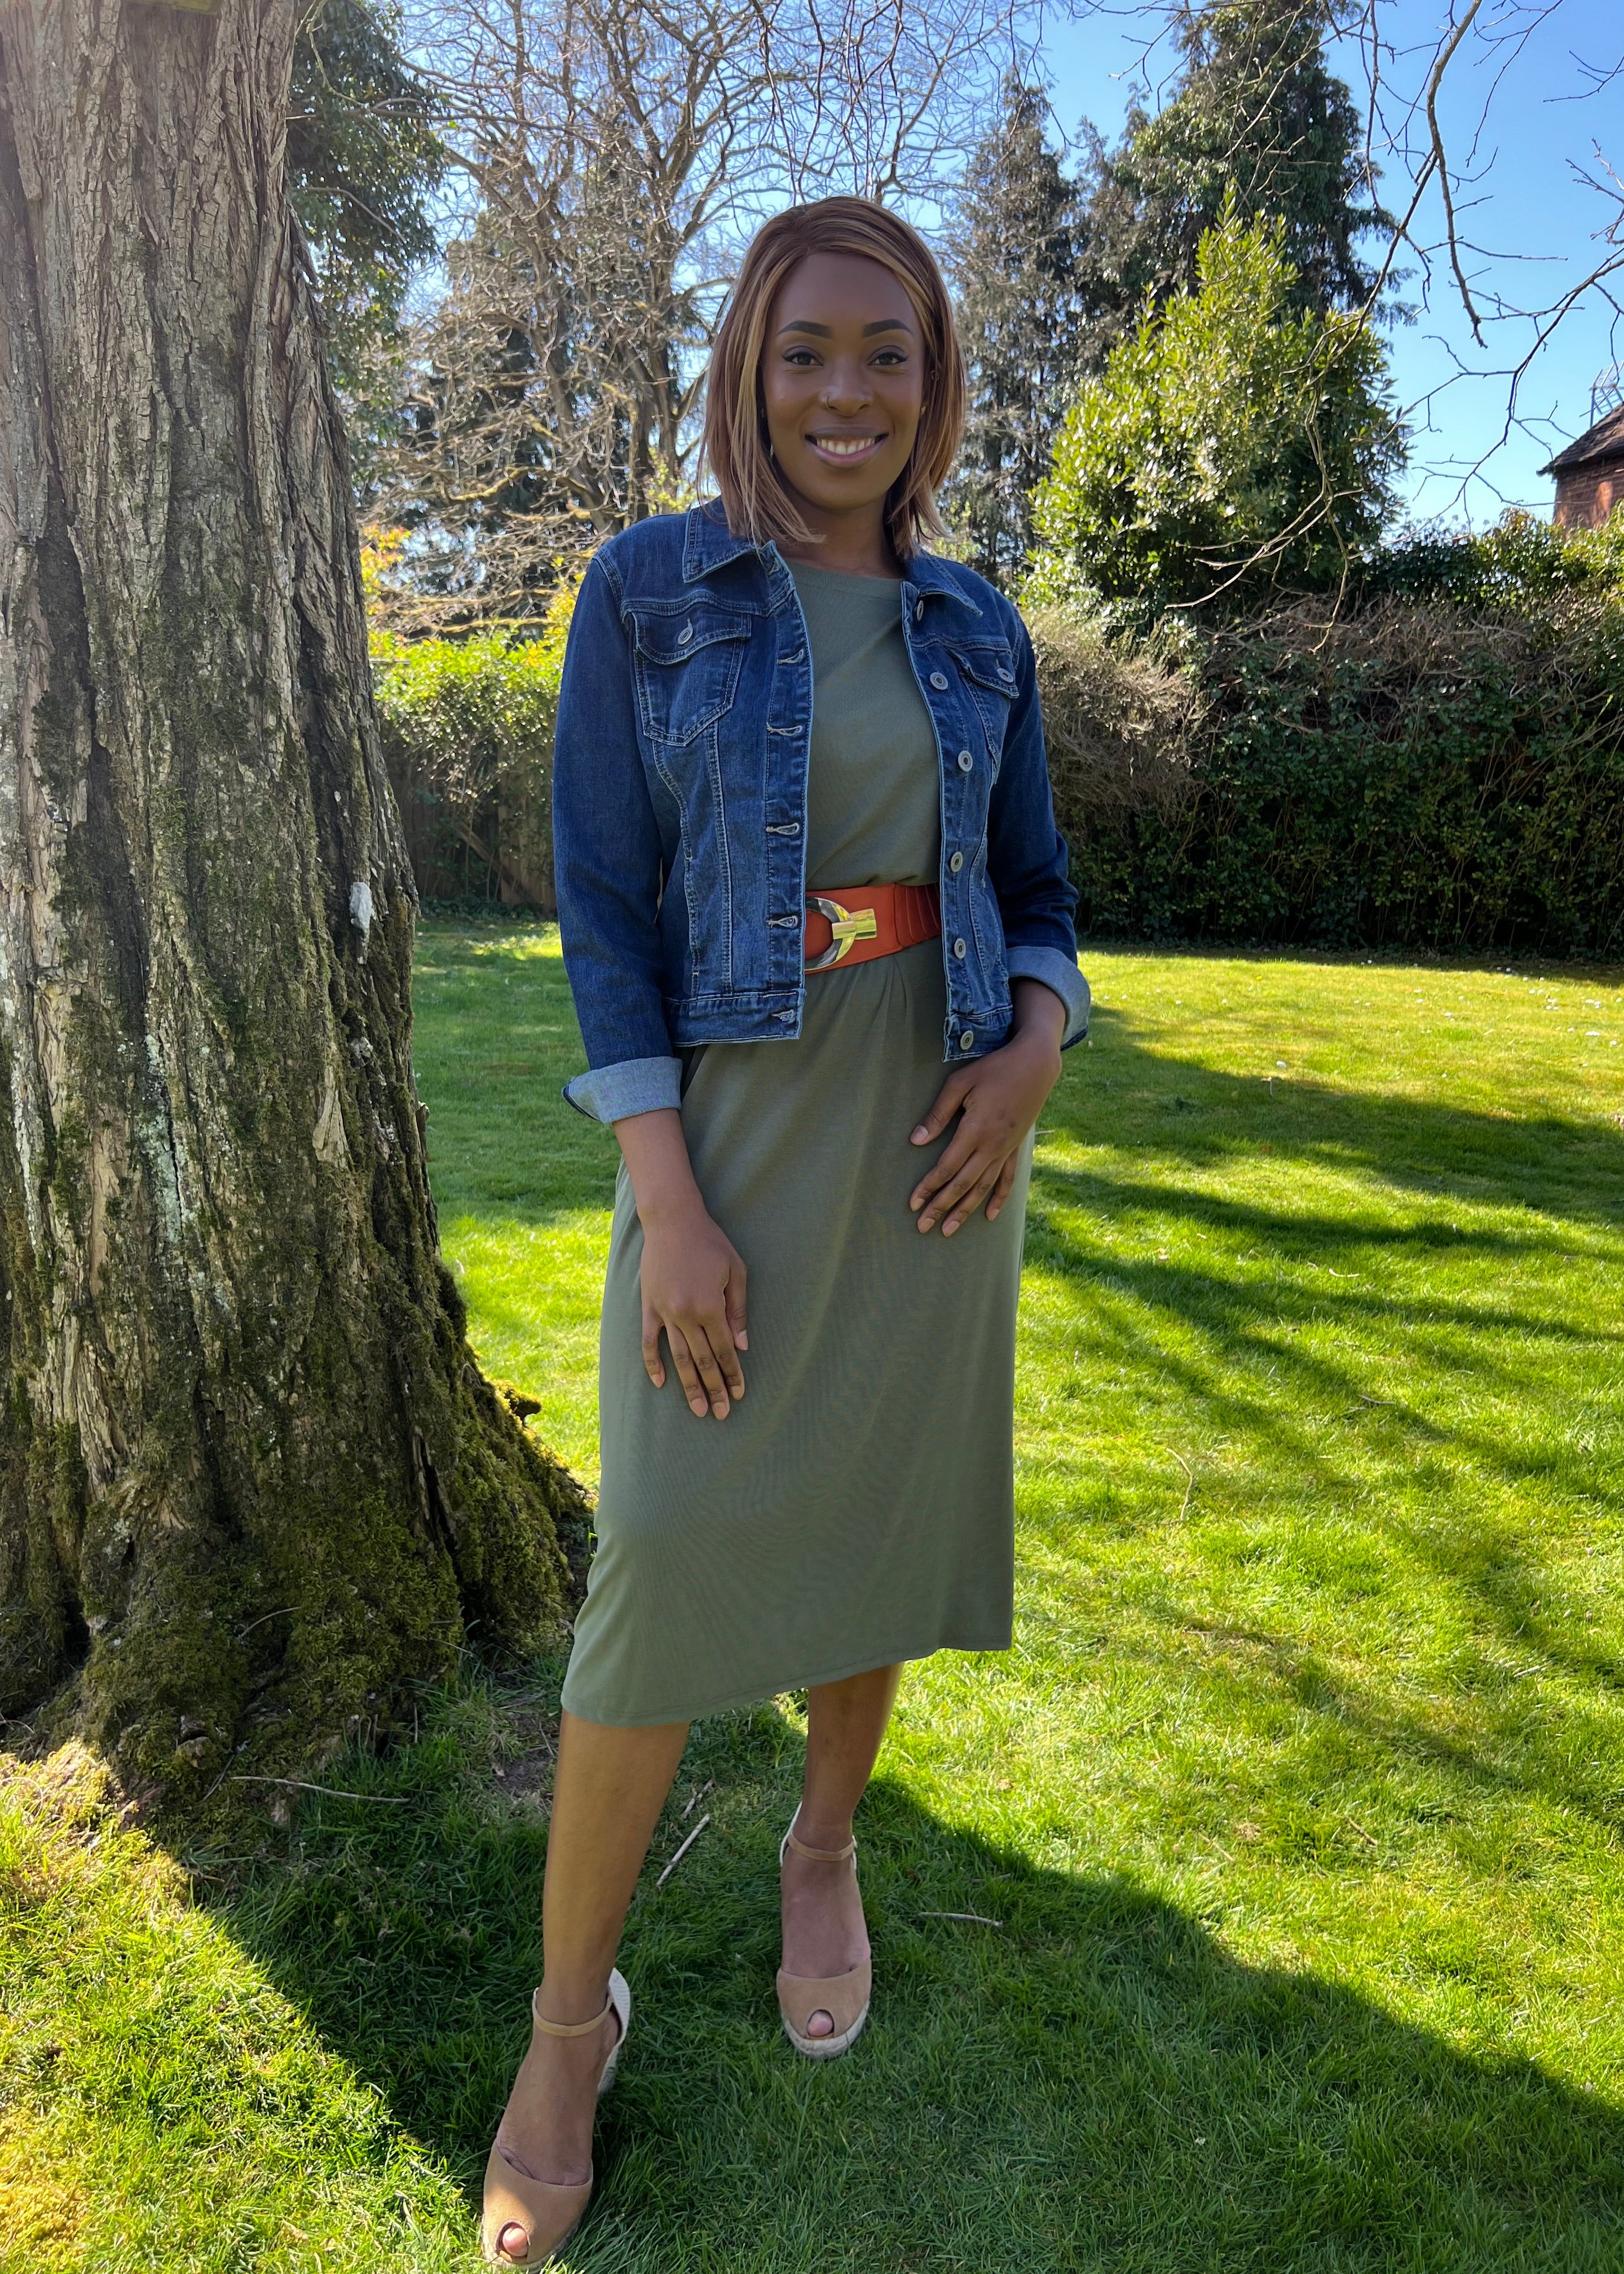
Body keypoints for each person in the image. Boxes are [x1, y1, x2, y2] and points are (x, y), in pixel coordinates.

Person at [480, 196, 1089, 2267]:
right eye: (812, 349)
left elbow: (1041, 894)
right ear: (748, 360)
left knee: (874, 1527)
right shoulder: (651, 589)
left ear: (936, 388)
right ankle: (568, 2030)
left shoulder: (979, 627)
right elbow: (606, 905)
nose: (850, 392)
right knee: (657, 1564)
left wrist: (1037, 1053)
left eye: (890, 355)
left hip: (929, 1145)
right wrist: (666, 1198)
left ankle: (821, 1851)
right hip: (728, 1147)